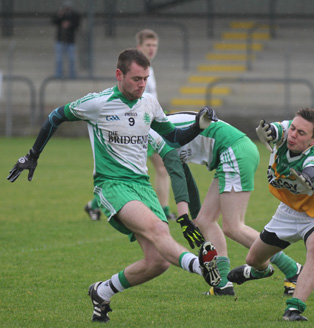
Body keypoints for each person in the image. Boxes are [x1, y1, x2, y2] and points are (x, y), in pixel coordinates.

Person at [7, 49, 221, 323]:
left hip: (142, 187)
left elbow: (175, 138)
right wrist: (32, 155)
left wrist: (198, 125)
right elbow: (55, 116)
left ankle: (101, 291)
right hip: (112, 185)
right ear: (119, 75)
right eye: (136, 79)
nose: (141, 84)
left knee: (157, 262)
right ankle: (202, 267)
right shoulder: (98, 103)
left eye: (145, 78)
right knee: (158, 230)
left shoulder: (150, 104)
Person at [148, 112, 301, 297]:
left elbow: (177, 175)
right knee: (205, 220)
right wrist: (194, 216)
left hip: (234, 151)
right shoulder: (158, 126)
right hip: (233, 152)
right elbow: (185, 177)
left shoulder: (153, 133)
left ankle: (293, 270)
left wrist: (182, 217)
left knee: (233, 227)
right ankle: (222, 284)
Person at [227, 108, 314, 322]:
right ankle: (259, 272)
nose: (294, 135)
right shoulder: (290, 132)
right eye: (294, 129)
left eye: (301, 133)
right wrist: (269, 130)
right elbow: (277, 130)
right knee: (253, 259)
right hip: (287, 213)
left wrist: (308, 175)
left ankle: (294, 309)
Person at [84, 28, 176, 221]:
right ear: (139, 46)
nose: (152, 49)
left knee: (154, 167)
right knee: (156, 167)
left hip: (148, 124)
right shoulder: (132, 70)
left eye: (155, 45)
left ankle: (94, 204)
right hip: (140, 126)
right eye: (148, 45)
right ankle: (164, 210)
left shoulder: (148, 69)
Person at [52, 0, 80, 78]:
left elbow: (77, 24)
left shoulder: (74, 15)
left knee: (71, 59)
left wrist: (69, 24)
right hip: (60, 39)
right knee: (59, 59)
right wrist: (59, 16)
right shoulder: (60, 14)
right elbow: (54, 21)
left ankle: (72, 75)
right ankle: (59, 74)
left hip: (70, 40)